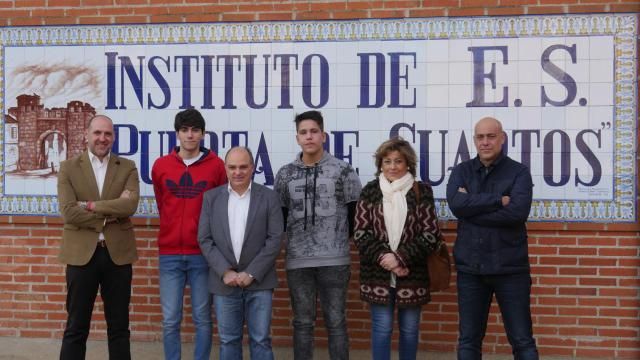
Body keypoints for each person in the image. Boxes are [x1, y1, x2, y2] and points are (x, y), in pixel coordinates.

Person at [446, 117, 539, 360]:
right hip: (471, 268)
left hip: (510, 268)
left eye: (491, 136)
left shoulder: (519, 172)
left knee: (522, 341)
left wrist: (472, 210)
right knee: (469, 341)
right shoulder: (461, 171)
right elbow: (456, 205)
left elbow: (517, 213)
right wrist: (498, 200)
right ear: (474, 139)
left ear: (502, 138)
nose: (485, 142)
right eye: (480, 137)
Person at [274, 110, 362, 360]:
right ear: (297, 138)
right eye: (303, 132)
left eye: (314, 131)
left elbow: (355, 215)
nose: (309, 137)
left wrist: (336, 241)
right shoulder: (285, 174)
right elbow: (279, 218)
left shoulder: (343, 171)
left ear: (323, 135)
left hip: (334, 260)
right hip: (298, 260)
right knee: (302, 323)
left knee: (336, 322)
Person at [57, 115, 140, 360]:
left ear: (113, 137)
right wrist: (109, 214)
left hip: (118, 256)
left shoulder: (127, 167)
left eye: (108, 134)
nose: (103, 138)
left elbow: (130, 206)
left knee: (119, 328)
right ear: (87, 134)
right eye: (97, 133)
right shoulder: (69, 167)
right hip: (81, 256)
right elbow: (69, 212)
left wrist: (90, 206)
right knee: (76, 327)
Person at [354, 137, 442, 360]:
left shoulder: (421, 191)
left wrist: (400, 258)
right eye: (387, 161)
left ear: (408, 164)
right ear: (380, 165)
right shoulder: (371, 191)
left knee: (410, 331)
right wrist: (386, 258)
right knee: (382, 331)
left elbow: (430, 235)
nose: (392, 166)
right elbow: (361, 233)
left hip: (413, 275)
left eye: (398, 161)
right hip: (377, 275)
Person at [151, 108, 227, 360]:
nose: (190, 135)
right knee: (170, 319)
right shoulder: (161, 166)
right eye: (184, 130)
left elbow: (220, 209)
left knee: (202, 318)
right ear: (177, 133)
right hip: (170, 253)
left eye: (195, 130)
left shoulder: (217, 166)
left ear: (203, 134)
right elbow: (163, 205)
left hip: (203, 255)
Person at [198, 146, 283, 360]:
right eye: (232, 167)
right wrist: (224, 271)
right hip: (223, 282)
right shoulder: (211, 198)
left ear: (253, 168)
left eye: (243, 167)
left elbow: (275, 239)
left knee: (261, 339)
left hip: (259, 282)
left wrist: (252, 272)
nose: (238, 172)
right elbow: (205, 239)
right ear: (225, 169)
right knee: (228, 340)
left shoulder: (269, 197)